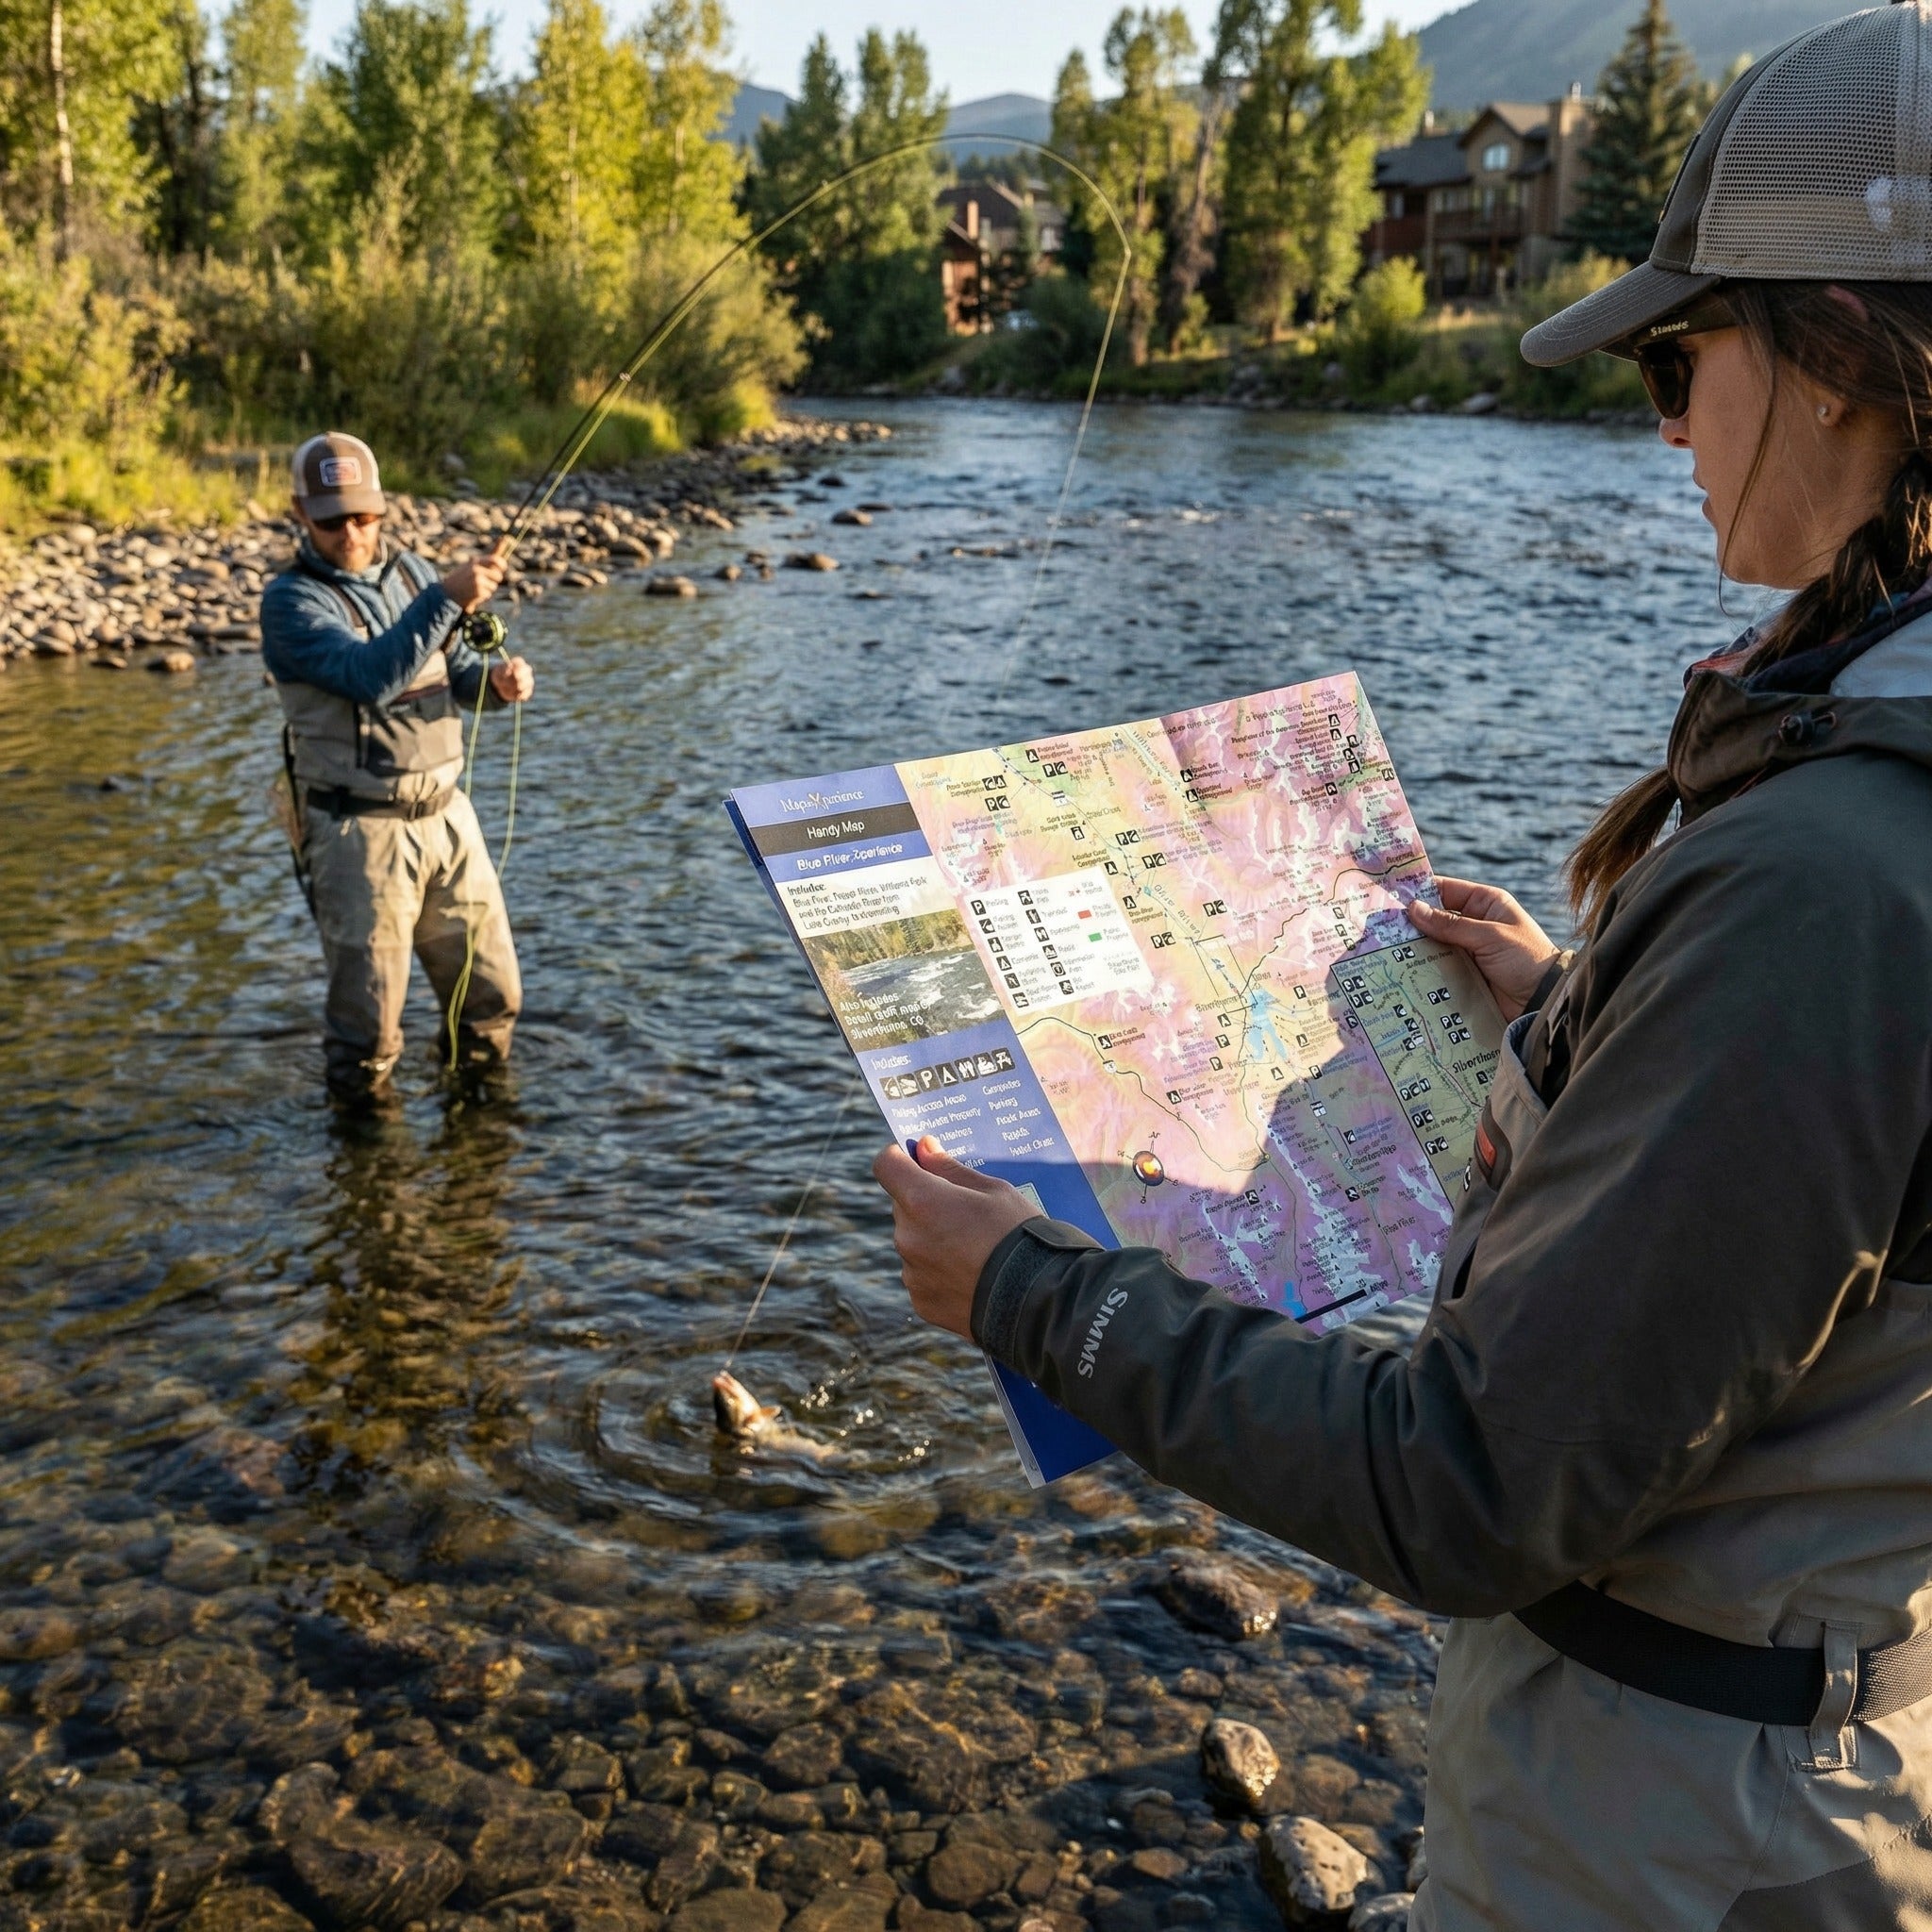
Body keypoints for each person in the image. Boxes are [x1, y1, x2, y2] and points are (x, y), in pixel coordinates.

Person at [874, 7, 1932, 1924]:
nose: (1667, 415)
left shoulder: (1830, 874)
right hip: (1786, 1745)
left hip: (1687, 1833)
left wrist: (1034, 1297)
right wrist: (1582, 1016)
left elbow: (1465, 1486)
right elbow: (1846, 1178)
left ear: (1843, 358)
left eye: (1680, 356)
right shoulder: (1860, 784)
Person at [262, 432, 535, 1105]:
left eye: (362, 516)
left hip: (449, 820)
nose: (350, 533)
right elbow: (369, 677)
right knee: (370, 1038)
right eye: (330, 520)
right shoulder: (293, 603)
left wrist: (494, 687)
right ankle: (368, 1182)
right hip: (361, 838)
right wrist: (446, 598)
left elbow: (455, 675)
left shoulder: (413, 574)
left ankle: (478, 1146)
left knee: (492, 999)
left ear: (381, 509)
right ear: (301, 513)